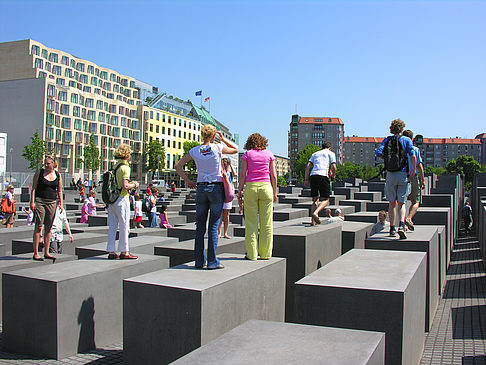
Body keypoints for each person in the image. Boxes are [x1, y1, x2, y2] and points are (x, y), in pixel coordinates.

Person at [175, 124, 238, 269]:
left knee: (200, 227)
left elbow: (178, 166)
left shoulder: (194, 150)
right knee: (214, 226)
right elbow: (235, 150)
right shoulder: (217, 147)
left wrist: (187, 180)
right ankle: (212, 261)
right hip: (216, 187)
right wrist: (223, 140)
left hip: (201, 187)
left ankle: (198, 261)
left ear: (202, 135)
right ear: (214, 135)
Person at [237, 133, 277, 261]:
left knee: (251, 223)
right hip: (266, 187)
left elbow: (243, 174)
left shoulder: (247, 154)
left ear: (249, 143)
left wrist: (239, 190)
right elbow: (274, 175)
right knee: (267, 223)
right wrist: (275, 192)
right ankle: (265, 254)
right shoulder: (269, 154)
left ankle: (252, 254)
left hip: (251, 188)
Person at [376, 119, 416, 239]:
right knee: (402, 203)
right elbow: (412, 155)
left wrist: (388, 159)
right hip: (403, 174)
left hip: (390, 174)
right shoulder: (407, 140)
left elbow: (378, 153)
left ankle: (392, 228)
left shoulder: (387, 140)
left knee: (392, 203)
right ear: (402, 128)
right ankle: (402, 225)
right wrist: (413, 169)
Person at [106, 144, 140, 259]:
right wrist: (134, 184)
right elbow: (125, 186)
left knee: (112, 226)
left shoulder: (114, 166)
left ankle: (111, 251)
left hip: (112, 200)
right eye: (129, 153)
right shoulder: (125, 168)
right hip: (121, 198)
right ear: (127, 154)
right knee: (124, 225)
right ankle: (124, 251)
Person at [30, 156, 63, 261]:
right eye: (45, 163)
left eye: (48, 163)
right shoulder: (39, 173)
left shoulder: (58, 175)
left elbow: (59, 190)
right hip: (40, 201)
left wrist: (61, 203)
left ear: (53, 164)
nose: (46, 165)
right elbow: (34, 188)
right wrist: (32, 201)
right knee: (38, 226)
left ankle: (47, 252)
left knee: (48, 228)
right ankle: (36, 253)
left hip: (52, 202)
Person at [304, 142, 337, 225]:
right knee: (326, 199)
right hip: (323, 175)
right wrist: (333, 175)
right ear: (329, 147)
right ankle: (316, 212)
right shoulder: (331, 153)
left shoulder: (315, 154)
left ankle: (313, 221)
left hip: (313, 175)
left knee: (315, 199)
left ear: (321, 147)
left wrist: (306, 179)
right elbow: (334, 167)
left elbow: (308, 166)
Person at [402, 130, 425, 231]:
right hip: (412, 177)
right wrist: (422, 180)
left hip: (401, 176)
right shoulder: (415, 149)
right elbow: (419, 166)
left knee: (401, 202)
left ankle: (402, 226)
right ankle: (408, 218)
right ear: (412, 139)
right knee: (415, 201)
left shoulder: (399, 149)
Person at [218, 157, 236, 239]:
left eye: (226, 164)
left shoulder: (230, 173)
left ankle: (225, 233)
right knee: (220, 215)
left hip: (228, 194)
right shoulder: (220, 172)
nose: (225, 165)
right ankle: (219, 233)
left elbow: (235, 174)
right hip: (221, 194)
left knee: (226, 215)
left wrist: (231, 165)